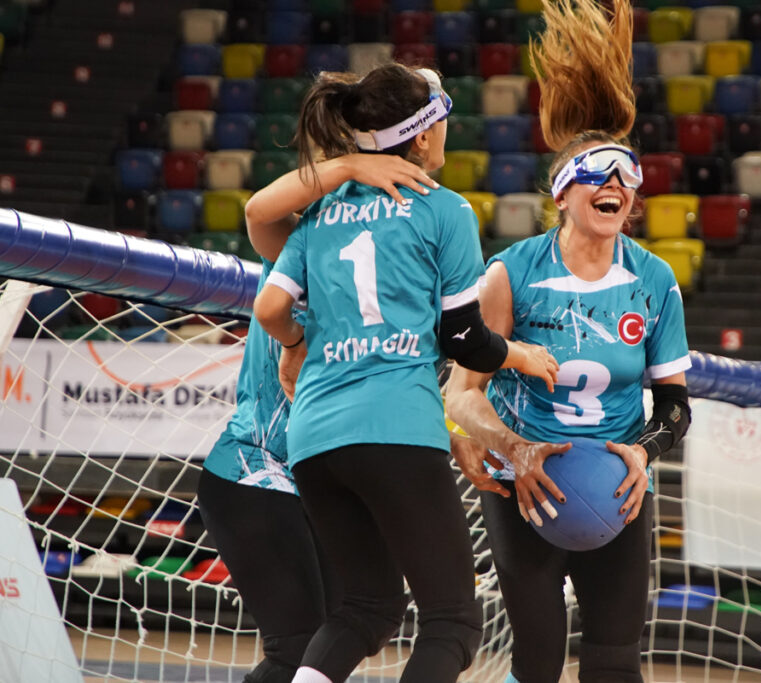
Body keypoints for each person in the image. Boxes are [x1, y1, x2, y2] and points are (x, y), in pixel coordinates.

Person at [250, 64, 559, 683]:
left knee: (365, 610)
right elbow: (463, 339)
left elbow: (269, 308)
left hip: (312, 436)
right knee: (452, 623)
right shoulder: (444, 209)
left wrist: (294, 344)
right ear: (422, 137)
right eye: (443, 118)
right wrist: (521, 355)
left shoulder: (319, 214)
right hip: (397, 427)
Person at [444, 0, 692, 679]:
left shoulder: (654, 279)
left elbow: (675, 402)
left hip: (614, 488)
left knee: (615, 657)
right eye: (601, 176)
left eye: (628, 178)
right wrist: (514, 448)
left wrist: (643, 452)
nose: (617, 187)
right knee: (539, 656)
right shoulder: (512, 273)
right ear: (563, 192)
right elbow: (461, 392)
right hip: (525, 483)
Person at [198, 152, 441, 683]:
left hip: (322, 475)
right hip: (254, 468)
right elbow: (259, 210)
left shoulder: (399, 283)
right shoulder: (300, 247)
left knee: (368, 616)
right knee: (298, 649)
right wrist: (353, 165)